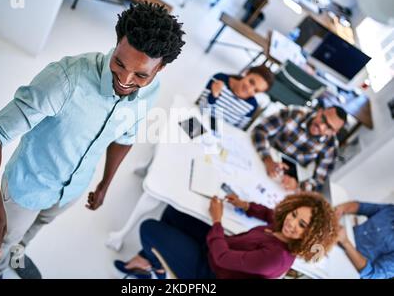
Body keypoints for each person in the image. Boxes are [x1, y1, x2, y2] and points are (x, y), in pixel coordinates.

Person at [0, 2, 185, 279]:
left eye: (141, 74)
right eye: (119, 63)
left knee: (32, 232)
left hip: (71, 190)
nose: (124, 79)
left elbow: (125, 137)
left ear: (160, 69)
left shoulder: (151, 91)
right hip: (27, 187)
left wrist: (104, 184)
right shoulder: (65, 78)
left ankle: (18, 255)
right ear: (117, 42)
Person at [114, 192, 338, 279]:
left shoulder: (277, 257)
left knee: (148, 228)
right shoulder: (283, 227)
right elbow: (271, 213)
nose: (291, 222)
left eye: (302, 225)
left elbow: (222, 258)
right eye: (294, 213)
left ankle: (157, 269)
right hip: (218, 249)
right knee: (174, 211)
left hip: (209, 271)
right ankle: (149, 258)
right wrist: (246, 205)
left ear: (309, 236)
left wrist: (217, 220)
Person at [252, 105, 347, 192]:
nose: (321, 127)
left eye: (329, 127)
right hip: (266, 156)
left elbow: (319, 181)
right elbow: (260, 130)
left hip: (289, 178)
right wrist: (268, 160)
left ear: (335, 132)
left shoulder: (331, 147)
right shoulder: (294, 112)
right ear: (319, 111)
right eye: (323, 119)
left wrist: (298, 185)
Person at [198, 65, 274, 129]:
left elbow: (238, 129)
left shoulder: (252, 106)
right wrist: (213, 96)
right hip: (200, 122)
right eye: (251, 82)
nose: (249, 89)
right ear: (247, 73)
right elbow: (200, 108)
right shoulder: (220, 79)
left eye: (256, 90)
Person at [335, 201, 394, 279]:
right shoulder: (390, 210)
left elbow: (371, 274)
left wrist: (346, 242)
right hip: (338, 238)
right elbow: (361, 207)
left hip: (346, 266)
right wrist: (341, 209)